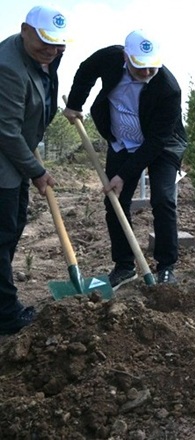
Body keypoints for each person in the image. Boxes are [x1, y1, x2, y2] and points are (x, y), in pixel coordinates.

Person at [64, 29, 187, 289]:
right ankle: (124, 266)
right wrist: (75, 103)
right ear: (125, 57)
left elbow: (155, 142)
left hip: (162, 145)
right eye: (139, 67)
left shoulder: (168, 88)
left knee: (163, 199)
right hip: (122, 140)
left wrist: (124, 174)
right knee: (114, 201)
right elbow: (86, 70)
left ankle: (166, 266)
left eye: (151, 68)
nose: (145, 73)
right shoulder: (110, 58)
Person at [0, 5, 68, 335]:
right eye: (43, 41)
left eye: (57, 44)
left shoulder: (47, 56)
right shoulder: (8, 68)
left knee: (12, 227)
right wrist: (37, 170)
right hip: (5, 160)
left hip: (16, 159)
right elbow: (7, 131)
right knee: (2, 234)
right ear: (25, 29)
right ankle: (5, 314)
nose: (50, 50)